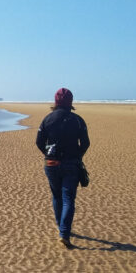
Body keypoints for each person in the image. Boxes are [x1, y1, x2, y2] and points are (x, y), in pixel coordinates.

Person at [36, 87, 90, 249]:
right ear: (70, 102)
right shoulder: (78, 120)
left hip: (51, 164)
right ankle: (64, 234)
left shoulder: (47, 119)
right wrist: (78, 156)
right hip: (71, 163)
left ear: (56, 101)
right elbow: (86, 143)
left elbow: (39, 142)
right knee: (68, 199)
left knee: (57, 196)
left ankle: (62, 227)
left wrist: (49, 154)